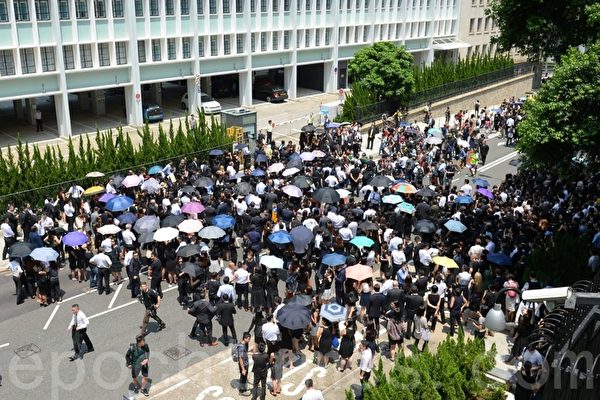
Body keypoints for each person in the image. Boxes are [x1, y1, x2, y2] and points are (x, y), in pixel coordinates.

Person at [237, 332, 252, 396]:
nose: (249, 340)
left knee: (244, 377)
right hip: (244, 365)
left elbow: (245, 353)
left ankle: (243, 388)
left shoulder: (245, 344)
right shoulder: (241, 347)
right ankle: (242, 391)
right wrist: (243, 369)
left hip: (246, 363)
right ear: (244, 338)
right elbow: (240, 358)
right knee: (243, 377)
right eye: (248, 339)